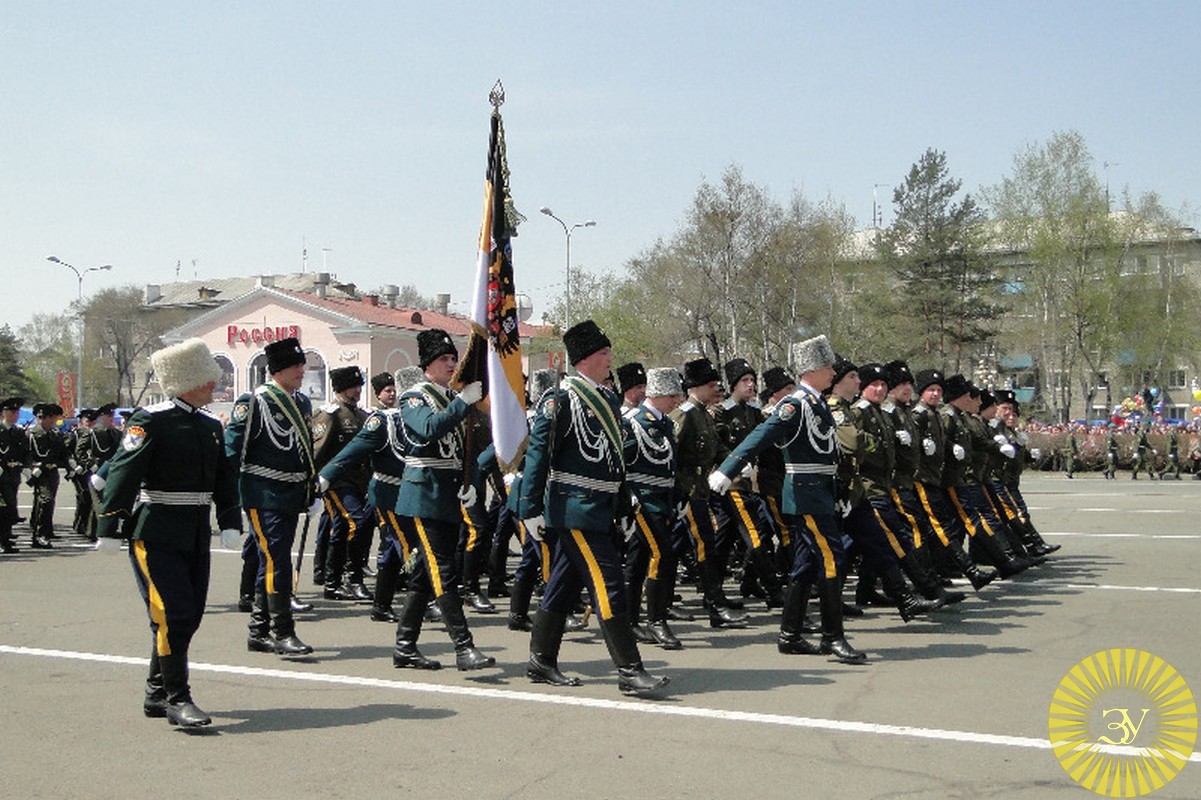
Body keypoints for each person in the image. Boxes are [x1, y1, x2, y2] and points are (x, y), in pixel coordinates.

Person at [95, 338, 242, 728]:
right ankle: (178, 698)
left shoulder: (210, 424)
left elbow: (224, 478)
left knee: (188, 616)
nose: (214, 385)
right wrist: (109, 524)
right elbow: (123, 472)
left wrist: (229, 520)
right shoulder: (151, 420)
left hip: (194, 531)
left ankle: (155, 691)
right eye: (208, 378)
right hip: (156, 529)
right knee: (171, 614)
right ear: (187, 379)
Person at [519, 319, 670, 696]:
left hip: (599, 507)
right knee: (609, 585)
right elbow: (539, 454)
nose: (610, 360)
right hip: (574, 508)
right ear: (585, 359)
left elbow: (614, 461)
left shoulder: (604, 398)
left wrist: (622, 507)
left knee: (562, 585)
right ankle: (630, 670)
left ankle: (541, 659)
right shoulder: (562, 398)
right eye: (604, 353)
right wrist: (530, 507)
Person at [709, 335, 865, 663]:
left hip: (821, 492)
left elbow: (828, 453)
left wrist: (840, 491)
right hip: (805, 495)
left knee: (805, 566)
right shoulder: (795, 405)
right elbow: (759, 437)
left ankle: (790, 634)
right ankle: (832, 636)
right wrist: (727, 469)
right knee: (831, 560)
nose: (832, 372)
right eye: (827, 367)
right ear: (812, 370)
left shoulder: (818, 402)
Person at [390, 328, 495, 672]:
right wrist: (462, 403)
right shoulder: (414, 398)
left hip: (447, 492)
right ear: (427, 366)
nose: (451, 365)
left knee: (424, 575)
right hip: (423, 494)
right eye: (443, 360)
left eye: (453, 358)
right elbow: (429, 428)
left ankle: (405, 645)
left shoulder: (451, 397)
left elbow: (467, 450)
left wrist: (471, 482)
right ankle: (464, 647)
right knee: (443, 571)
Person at [225, 337, 317, 658]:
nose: (301, 370)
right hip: (262, 493)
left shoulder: (302, 403)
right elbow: (232, 451)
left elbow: (304, 448)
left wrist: (311, 487)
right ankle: (283, 631)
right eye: (295, 365)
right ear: (277, 369)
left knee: (272, 561)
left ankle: (258, 631)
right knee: (277, 561)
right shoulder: (254, 402)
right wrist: (227, 499)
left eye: (302, 364)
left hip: (291, 494)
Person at [670, 357, 748, 628]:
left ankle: (714, 598)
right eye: (712, 385)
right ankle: (714, 605)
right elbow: (671, 458)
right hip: (688, 493)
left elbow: (717, 450)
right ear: (697, 387)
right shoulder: (684, 415)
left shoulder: (704, 413)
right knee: (705, 547)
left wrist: (736, 465)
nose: (717, 390)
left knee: (690, 547)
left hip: (702, 491)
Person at [623, 367, 686, 651]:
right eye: (673, 395)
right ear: (658, 394)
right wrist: (627, 498)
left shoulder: (666, 424)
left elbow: (670, 464)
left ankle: (630, 620)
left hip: (663, 499)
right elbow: (619, 465)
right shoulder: (633, 423)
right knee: (664, 554)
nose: (677, 400)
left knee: (637, 561)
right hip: (643, 501)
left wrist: (678, 496)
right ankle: (657, 619)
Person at [713, 357, 784, 608]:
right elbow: (717, 445)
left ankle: (716, 593)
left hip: (749, 484)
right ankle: (775, 592)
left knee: (723, 541)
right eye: (745, 380)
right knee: (755, 536)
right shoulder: (721, 413)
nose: (751, 385)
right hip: (731, 484)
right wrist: (733, 462)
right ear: (733, 384)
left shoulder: (755, 413)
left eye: (753, 380)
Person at [313, 365, 375, 602]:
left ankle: (333, 583)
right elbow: (317, 451)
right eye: (353, 386)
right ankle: (353, 578)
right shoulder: (330, 414)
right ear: (341, 388)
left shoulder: (361, 415)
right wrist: (315, 483)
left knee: (342, 528)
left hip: (360, 482)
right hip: (338, 482)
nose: (358, 390)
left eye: (359, 385)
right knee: (355, 523)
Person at [27, 403, 69, 548]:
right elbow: (26, 452)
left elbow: (62, 454)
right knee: (45, 500)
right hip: (39, 473)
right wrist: (31, 468)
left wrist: (70, 467)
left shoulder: (54, 434)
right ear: (42, 418)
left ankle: (45, 531)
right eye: (49, 418)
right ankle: (39, 534)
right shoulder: (32, 434)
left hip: (52, 472)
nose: (52, 421)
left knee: (49, 503)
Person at [0, 396, 28, 553]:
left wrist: (27, 467)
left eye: (16, 412)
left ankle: (5, 539)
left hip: (13, 474)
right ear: (4, 413)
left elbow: (25, 452)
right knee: (5, 508)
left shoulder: (18, 432)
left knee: (10, 507)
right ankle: (4, 541)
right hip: (1, 475)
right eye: (11, 412)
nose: (14, 415)